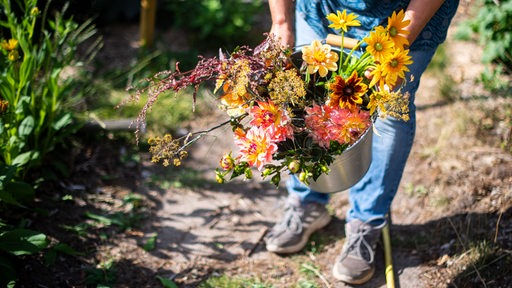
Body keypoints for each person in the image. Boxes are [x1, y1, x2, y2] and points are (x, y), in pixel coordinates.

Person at [265, 0, 459, 285]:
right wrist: (281, 22)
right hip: (323, 10)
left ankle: (366, 222)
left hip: (404, 14)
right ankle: (307, 202)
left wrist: (400, 41)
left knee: (388, 113)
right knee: (306, 98)